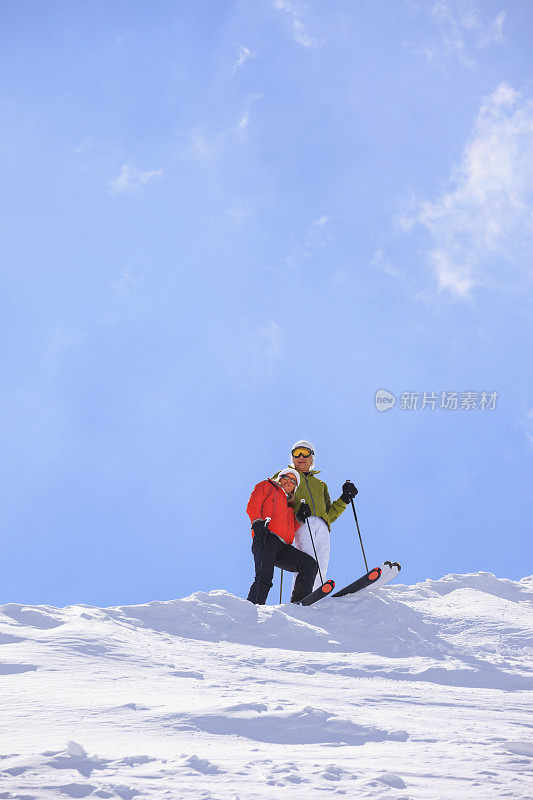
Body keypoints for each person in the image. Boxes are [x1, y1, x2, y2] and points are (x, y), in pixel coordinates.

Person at [275, 440, 357, 592]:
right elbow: (276, 497)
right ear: (292, 458)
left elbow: (329, 514)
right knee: (307, 560)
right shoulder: (286, 476)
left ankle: (316, 594)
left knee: (322, 563)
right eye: (296, 453)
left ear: (312, 458)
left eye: (305, 452)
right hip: (302, 522)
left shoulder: (320, 484)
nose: (301, 456)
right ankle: (300, 596)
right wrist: (294, 513)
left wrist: (345, 498)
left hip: (323, 525)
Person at [246, 468, 317, 605]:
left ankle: (299, 603)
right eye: (286, 477)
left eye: (293, 481)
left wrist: (300, 518)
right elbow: (253, 504)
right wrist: (256, 522)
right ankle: (251, 611)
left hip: (283, 546)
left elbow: (290, 529)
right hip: (266, 537)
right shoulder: (266, 486)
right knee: (264, 578)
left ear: (294, 488)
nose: (288, 481)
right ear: (280, 478)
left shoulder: (289, 508)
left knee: (309, 564)